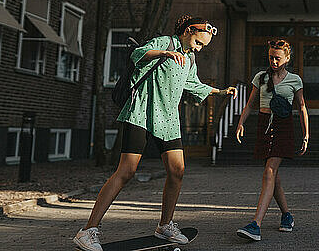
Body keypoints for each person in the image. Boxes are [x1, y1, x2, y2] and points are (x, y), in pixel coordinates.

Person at [73, 15, 238, 251]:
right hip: (141, 112)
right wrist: (164, 53)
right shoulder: (165, 42)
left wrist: (220, 91)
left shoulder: (190, 59)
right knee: (126, 172)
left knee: (177, 171)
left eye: (202, 46)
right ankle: (88, 231)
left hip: (168, 119)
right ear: (189, 31)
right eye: (198, 43)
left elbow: (193, 84)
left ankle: (165, 225)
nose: (199, 49)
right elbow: (138, 54)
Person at [235, 39, 309, 241]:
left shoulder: (295, 80)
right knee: (273, 177)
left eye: (278, 58)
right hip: (264, 125)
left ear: (287, 58)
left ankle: (255, 225)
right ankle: (287, 215)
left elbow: (301, 107)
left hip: (284, 126)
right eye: (271, 57)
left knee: (269, 172)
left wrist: (306, 134)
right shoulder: (261, 77)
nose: (274, 61)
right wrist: (240, 123)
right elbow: (250, 104)